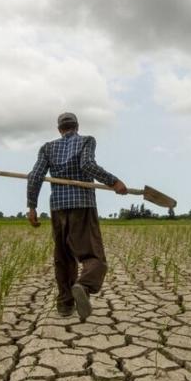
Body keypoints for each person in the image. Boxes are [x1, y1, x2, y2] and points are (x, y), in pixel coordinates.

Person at [26, 112, 127, 321]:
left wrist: (32, 206)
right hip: (82, 206)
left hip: (58, 208)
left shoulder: (47, 147)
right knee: (92, 256)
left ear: (59, 129)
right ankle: (84, 285)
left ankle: (65, 305)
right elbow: (87, 165)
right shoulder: (86, 141)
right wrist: (113, 181)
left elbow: (35, 176)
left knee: (63, 258)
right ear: (77, 126)